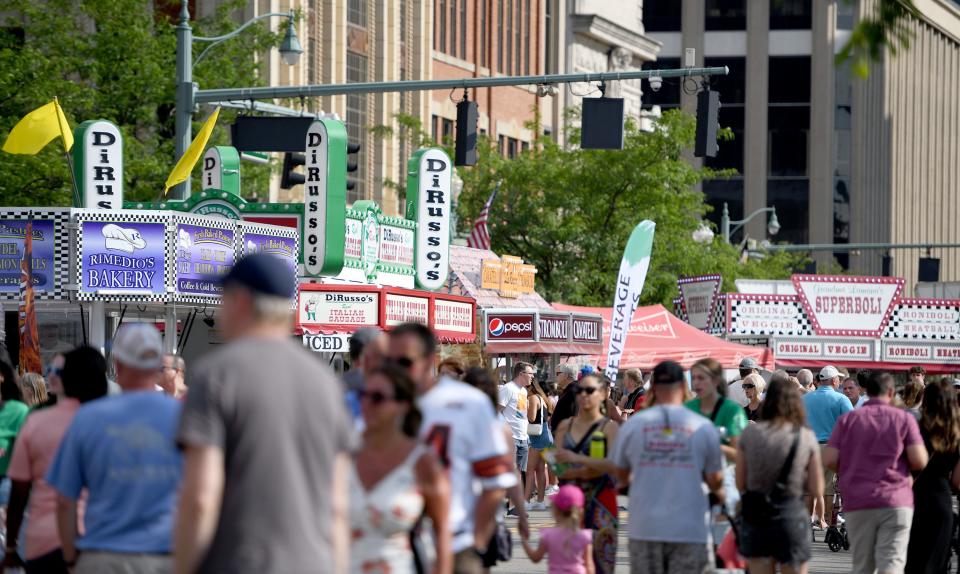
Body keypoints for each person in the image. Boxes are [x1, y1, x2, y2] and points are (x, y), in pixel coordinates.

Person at [175, 254, 355, 574]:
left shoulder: (216, 375)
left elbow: (201, 498)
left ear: (241, 301)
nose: (218, 313)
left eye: (223, 299)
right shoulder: (326, 383)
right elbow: (338, 505)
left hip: (241, 562)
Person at [46, 324, 181, 573]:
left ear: (117, 365)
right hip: (166, 556)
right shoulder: (184, 418)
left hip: (102, 557)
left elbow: (65, 500)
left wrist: (71, 558)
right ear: (157, 368)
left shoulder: (87, 418)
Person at [389, 323, 517, 573]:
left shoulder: (468, 403)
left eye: (404, 362)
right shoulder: (380, 402)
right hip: (395, 545)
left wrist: (476, 543)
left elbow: (495, 482)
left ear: (429, 360)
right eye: (390, 362)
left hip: (457, 542)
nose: (396, 371)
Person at [612, 360, 725, 574]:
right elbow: (716, 479)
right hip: (690, 528)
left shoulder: (634, 425)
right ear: (683, 386)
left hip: (645, 527)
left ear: (652, 388)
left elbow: (620, 476)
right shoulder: (702, 426)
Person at [3, 346, 108, 573]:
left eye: (56, 371)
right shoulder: (110, 424)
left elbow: (19, 492)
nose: (51, 375)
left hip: (44, 542)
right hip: (99, 540)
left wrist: (11, 547)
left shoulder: (36, 422)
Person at [823, 371, 929, 574]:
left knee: (863, 565)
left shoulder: (849, 420)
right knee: (892, 563)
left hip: (859, 500)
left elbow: (828, 459)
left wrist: (849, 469)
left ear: (867, 391)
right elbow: (920, 460)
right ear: (891, 392)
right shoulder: (903, 419)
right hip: (896, 499)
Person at [350, 364, 451, 574]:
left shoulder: (421, 462)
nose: (367, 403)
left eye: (377, 397)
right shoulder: (344, 454)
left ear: (403, 405)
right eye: (363, 395)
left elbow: (442, 533)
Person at [736, 378, 824, 574]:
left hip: (757, 517)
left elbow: (740, 483)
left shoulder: (750, 434)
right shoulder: (805, 436)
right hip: (791, 516)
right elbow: (816, 488)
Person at [463, 367, 529, 572]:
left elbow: (511, 472)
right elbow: (511, 474)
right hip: (475, 512)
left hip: (470, 512)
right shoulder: (498, 426)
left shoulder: (495, 427)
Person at [553, 374, 619, 574]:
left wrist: (578, 460)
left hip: (601, 501)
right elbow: (556, 464)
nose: (583, 395)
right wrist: (582, 470)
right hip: (570, 503)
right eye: (579, 390)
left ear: (603, 394)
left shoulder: (609, 427)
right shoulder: (566, 426)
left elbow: (614, 464)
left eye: (589, 390)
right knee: (570, 563)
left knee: (601, 563)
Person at [905, 381, 960, 573]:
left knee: (912, 562)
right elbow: (957, 481)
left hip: (913, 499)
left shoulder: (914, 429)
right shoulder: (955, 434)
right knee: (936, 565)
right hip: (941, 500)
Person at [802, 365, 853, 529]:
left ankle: (808, 522)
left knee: (810, 487)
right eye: (838, 379)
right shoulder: (841, 399)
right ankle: (828, 523)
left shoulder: (806, 398)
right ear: (834, 380)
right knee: (829, 487)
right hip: (831, 448)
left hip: (809, 447)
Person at [520, 485, 594, 574]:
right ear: (580, 511)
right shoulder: (585, 536)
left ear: (555, 510)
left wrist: (524, 540)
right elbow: (589, 566)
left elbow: (536, 558)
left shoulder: (548, 534)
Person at [686, 358, 748, 462]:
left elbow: (740, 454)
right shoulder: (687, 408)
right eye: (693, 378)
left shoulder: (732, 411)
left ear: (716, 381)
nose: (696, 382)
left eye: (701, 378)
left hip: (724, 474)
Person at [499, 362, 531, 487]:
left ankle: (516, 504)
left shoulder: (523, 391)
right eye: (530, 374)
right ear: (521, 374)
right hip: (511, 436)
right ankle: (508, 503)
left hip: (523, 436)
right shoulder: (508, 388)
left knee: (520, 472)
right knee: (510, 473)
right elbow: (496, 411)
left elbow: (520, 414)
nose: (533, 377)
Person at [525, 377, 554, 511]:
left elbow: (531, 418)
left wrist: (523, 410)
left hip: (537, 437)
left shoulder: (533, 398)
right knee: (540, 470)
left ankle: (526, 501)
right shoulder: (543, 398)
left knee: (530, 470)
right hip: (546, 435)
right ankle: (540, 501)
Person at [550, 364, 579, 432]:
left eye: (557, 373)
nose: (556, 376)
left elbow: (574, 415)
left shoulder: (573, 391)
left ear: (566, 375)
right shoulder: (570, 390)